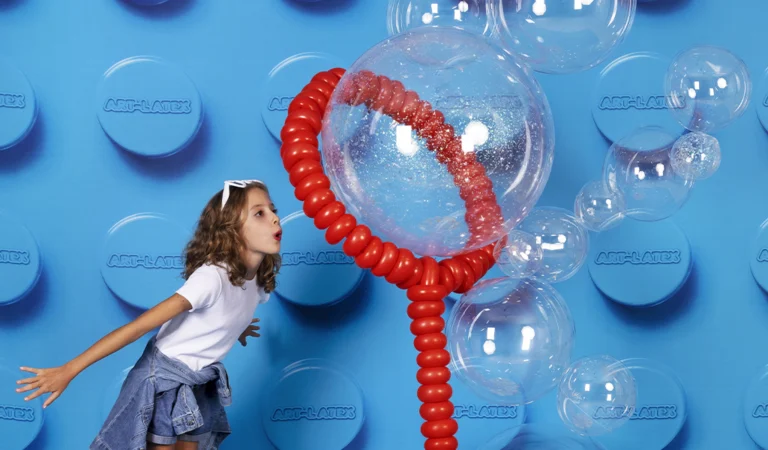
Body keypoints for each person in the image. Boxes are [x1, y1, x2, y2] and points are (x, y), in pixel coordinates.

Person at [15, 180, 283, 450]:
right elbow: (138, 327)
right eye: (259, 213)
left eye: (273, 210)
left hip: (198, 381)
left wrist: (236, 328)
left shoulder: (257, 280)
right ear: (231, 229)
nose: (274, 218)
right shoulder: (211, 279)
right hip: (163, 380)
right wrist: (69, 370)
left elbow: (227, 309)